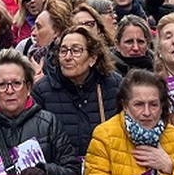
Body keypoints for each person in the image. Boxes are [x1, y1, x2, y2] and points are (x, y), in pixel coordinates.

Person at [84, 69, 174, 175]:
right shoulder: (105, 134)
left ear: (161, 107)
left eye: (153, 105)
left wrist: (170, 167)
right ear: (125, 106)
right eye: (138, 104)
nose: (147, 112)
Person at [32, 27, 123, 160]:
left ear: (92, 58)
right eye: (63, 51)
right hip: (61, 172)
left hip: (104, 169)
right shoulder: (42, 90)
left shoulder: (113, 85)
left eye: (76, 50)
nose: (68, 57)